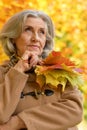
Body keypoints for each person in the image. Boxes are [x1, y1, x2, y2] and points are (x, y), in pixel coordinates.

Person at [0, 10, 83, 130]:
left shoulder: (60, 71)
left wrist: (19, 122)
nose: (36, 38)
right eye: (27, 29)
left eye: (42, 32)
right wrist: (18, 71)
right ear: (13, 38)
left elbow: (75, 111)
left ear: (46, 40)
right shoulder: (2, 74)